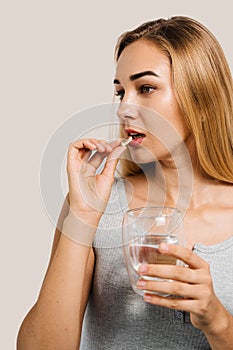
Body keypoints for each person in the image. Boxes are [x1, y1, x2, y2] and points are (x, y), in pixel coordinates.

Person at [17, 16, 233, 350]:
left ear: (201, 99)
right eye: (120, 92)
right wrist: (84, 216)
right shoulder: (94, 205)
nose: (123, 109)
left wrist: (217, 321)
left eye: (145, 88)